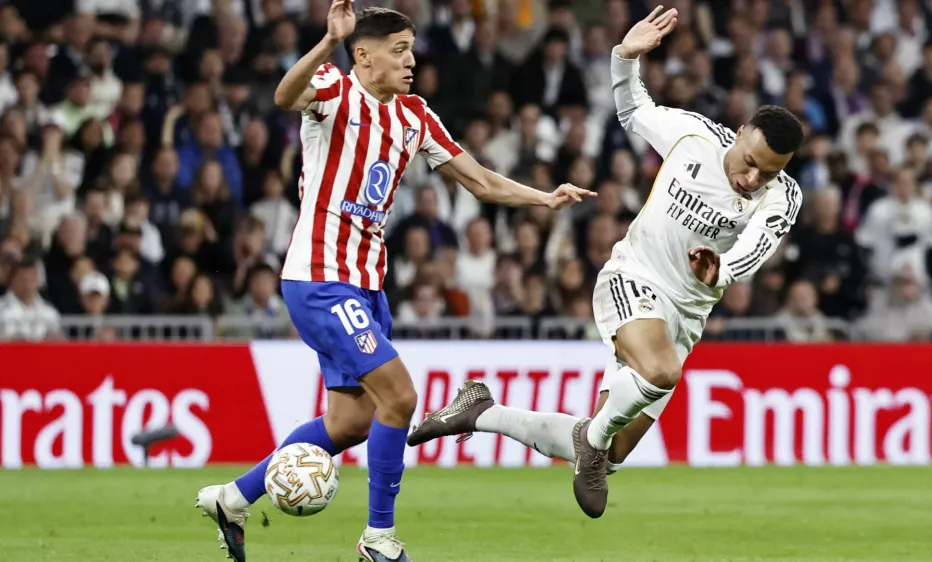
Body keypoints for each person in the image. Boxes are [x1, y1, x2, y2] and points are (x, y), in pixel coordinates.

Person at [194, 3, 592, 562]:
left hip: (366, 288)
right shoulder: (333, 88)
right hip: (320, 277)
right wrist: (326, 42)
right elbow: (285, 97)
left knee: (350, 422)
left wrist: (544, 198)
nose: (411, 62)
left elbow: (480, 181)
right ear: (363, 55)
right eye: (399, 51)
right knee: (401, 396)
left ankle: (232, 498)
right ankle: (378, 537)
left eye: (412, 51)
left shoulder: (414, 115)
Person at [407, 6, 804, 520]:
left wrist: (723, 272)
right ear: (742, 132)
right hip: (634, 278)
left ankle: (482, 411)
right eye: (750, 163)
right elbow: (633, 110)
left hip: (687, 314)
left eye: (766, 173)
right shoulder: (694, 136)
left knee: (610, 451)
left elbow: (758, 245)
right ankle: (590, 445)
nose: (752, 179)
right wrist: (624, 57)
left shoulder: (783, 195)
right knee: (660, 373)